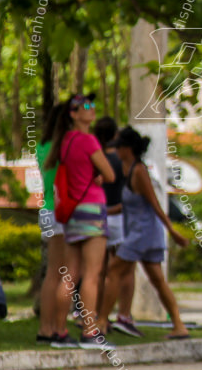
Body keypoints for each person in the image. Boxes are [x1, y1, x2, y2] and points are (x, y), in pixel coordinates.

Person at [95, 127, 190, 340]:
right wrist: (104, 211)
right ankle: (179, 325)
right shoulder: (128, 170)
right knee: (157, 279)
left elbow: (154, 204)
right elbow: (129, 205)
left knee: (113, 271)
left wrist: (172, 231)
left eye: (119, 147)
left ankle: (101, 320)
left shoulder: (139, 171)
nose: (116, 151)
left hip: (143, 233)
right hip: (141, 232)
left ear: (128, 149)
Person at [44, 93, 116, 349]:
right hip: (93, 210)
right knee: (92, 275)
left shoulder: (65, 141)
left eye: (92, 104)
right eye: (85, 106)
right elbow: (109, 173)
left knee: (69, 275)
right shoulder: (88, 140)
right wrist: (98, 175)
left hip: (72, 212)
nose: (91, 109)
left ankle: (60, 331)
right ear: (73, 114)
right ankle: (89, 331)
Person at [35, 102, 79, 347]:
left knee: (52, 272)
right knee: (65, 273)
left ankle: (45, 327)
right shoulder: (65, 147)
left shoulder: (42, 146)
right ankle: (55, 328)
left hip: (46, 209)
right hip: (62, 211)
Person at [93, 117, 140, 338]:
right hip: (120, 218)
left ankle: (96, 315)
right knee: (124, 270)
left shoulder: (95, 157)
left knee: (100, 270)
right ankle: (123, 314)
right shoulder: (123, 161)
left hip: (99, 216)